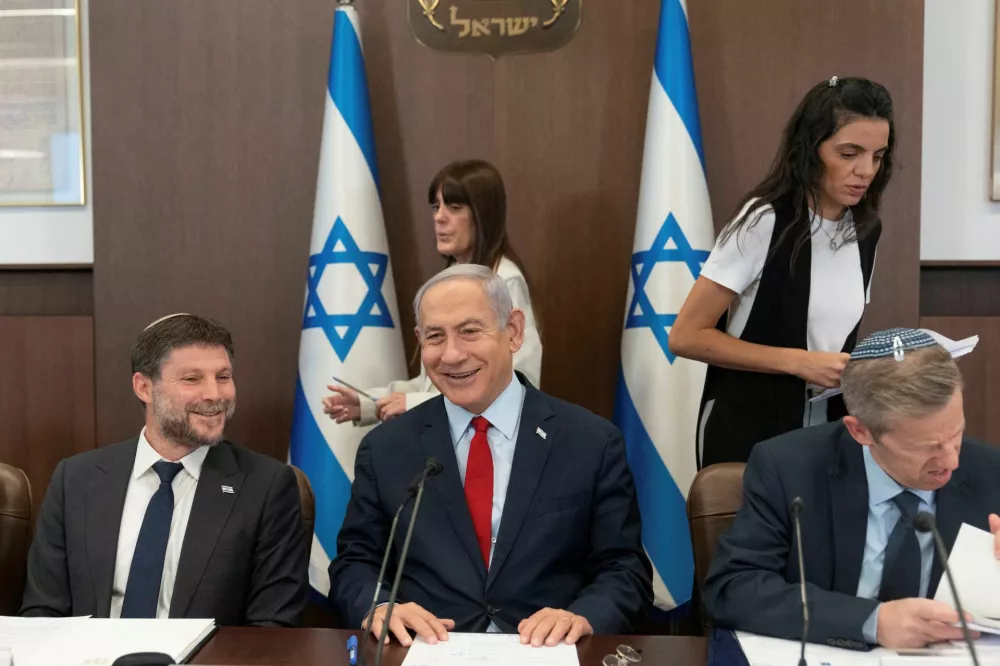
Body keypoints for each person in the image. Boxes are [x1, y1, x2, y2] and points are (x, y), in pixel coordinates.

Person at [328, 264, 651, 646]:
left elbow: (624, 568)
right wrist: (379, 606)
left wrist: (583, 616)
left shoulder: (590, 441)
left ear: (513, 331)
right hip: (427, 651)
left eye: (469, 331)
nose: (451, 355)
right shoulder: (386, 448)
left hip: (547, 653)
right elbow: (355, 563)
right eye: (435, 336)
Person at [702, 328, 1000, 650]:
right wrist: (873, 621)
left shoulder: (989, 470)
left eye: (956, 434)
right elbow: (733, 588)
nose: (951, 461)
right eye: (926, 448)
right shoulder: (789, 468)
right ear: (861, 432)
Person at [21, 314, 309, 626]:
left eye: (223, 377)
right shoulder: (76, 479)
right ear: (144, 387)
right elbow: (43, 615)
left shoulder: (265, 486)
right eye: (192, 379)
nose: (215, 394)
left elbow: (273, 628)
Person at [668, 77, 894, 467]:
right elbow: (686, 336)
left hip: (829, 430)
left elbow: (832, 333)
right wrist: (799, 361)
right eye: (849, 153)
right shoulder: (764, 221)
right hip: (748, 431)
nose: (866, 170)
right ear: (810, 149)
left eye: (877, 155)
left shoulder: (865, 229)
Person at [323, 159, 542, 426]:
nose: (439, 217)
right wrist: (369, 404)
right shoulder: (448, 282)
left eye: (454, 206)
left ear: (484, 214)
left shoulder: (504, 280)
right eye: (436, 206)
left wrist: (413, 405)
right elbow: (432, 382)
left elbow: (519, 381)